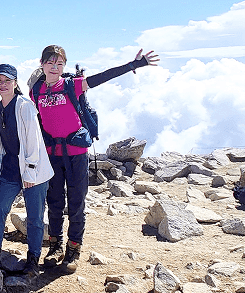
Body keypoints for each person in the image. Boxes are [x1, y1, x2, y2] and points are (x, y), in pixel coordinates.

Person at [31, 45, 159, 273]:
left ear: (64, 66)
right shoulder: (36, 90)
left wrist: (133, 65)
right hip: (52, 155)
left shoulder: (72, 85)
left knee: (77, 202)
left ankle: (73, 249)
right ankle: (55, 246)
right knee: (55, 201)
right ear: (41, 64)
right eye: (50, 63)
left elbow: (104, 76)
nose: (54, 67)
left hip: (77, 154)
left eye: (59, 63)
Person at [0, 64, 53, 275]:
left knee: (35, 216)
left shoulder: (25, 106)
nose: (3, 84)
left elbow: (33, 141)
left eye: (7, 81)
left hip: (33, 169)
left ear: (15, 83)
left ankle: (33, 258)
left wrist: (30, 170)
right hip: (10, 167)